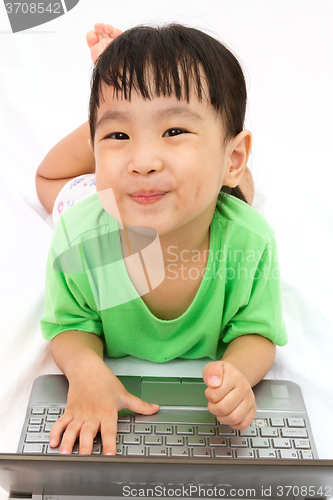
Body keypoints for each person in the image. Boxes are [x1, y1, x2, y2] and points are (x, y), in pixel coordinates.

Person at [36, 23, 287, 456]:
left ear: (234, 154)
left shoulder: (251, 244)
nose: (144, 161)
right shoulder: (77, 235)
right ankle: (120, 92)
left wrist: (239, 373)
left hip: (214, 189)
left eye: (174, 131)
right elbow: (68, 326)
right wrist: (85, 370)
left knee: (238, 193)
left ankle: (143, 115)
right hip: (101, 200)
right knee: (48, 179)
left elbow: (256, 334)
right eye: (118, 135)